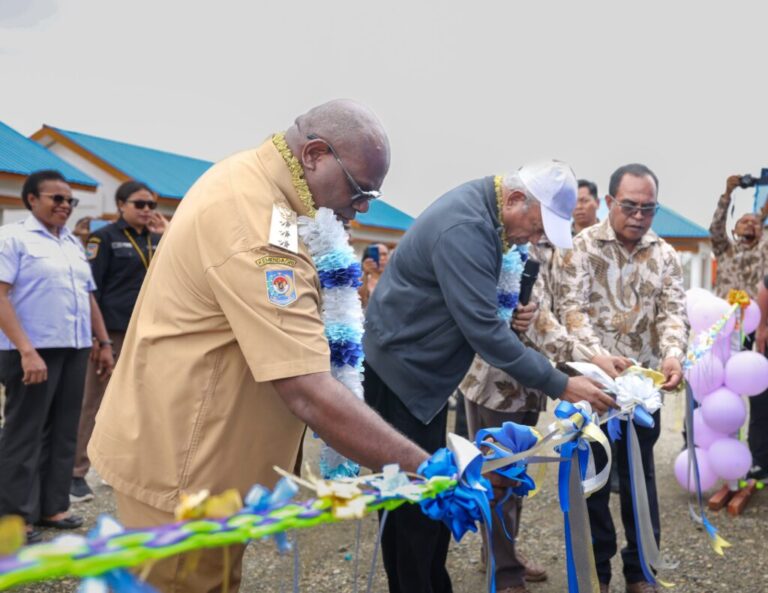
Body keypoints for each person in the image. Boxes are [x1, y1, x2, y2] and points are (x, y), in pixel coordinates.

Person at [88, 100, 434, 593]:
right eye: (359, 190)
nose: (363, 207)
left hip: (205, 459)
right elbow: (307, 388)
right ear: (314, 154)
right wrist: (424, 470)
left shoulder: (261, 187)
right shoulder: (254, 226)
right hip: (185, 469)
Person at [363, 162, 619, 593]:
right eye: (535, 227)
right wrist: (561, 384)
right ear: (515, 199)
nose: (532, 239)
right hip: (400, 375)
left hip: (422, 378)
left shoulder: (487, 215)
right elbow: (484, 332)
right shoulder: (466, 228)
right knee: (414, 506)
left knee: (430, 499)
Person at [459, 235, 628, 593]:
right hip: (495, 384)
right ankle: (505, 574)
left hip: (532, 383)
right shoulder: (510, 243)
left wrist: (593, 355)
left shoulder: (560, 249)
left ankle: (501, 556)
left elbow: (563, 313)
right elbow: (536, 319)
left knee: (515, 478)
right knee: (498, 477)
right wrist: (590, 357)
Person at [555, 163, 689, 593]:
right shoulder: (579, 248)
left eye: (648, 208)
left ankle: (640, 570)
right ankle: (597, 572)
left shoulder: (665, 255)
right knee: (591, 482)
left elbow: (673, 314)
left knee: (640, 479)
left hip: (642, 393)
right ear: (610, 202)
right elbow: (570, 312)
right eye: (630, 206)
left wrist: (672, 355)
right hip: (589, 387)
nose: (638, 216)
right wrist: (598, 358)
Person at [0, 170, 114, 544]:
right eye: (57, 198)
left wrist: (102, 342)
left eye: (70, 200)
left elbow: (88, 295)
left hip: (74, 347)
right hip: (32, 350)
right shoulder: (12, 238)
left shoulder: (71, 243)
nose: (65, 205)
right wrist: (26, 351)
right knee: (25, 433)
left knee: (64, 429)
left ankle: (53, 507)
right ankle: (15, 517)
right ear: (32, 199)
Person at [70, 181, 166, 503]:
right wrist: (98, 339)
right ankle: (76, 473)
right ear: (121, 205)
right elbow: (91, 289)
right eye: (140, 204)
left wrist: (166, 234)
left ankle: (120, 470)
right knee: (93, 401)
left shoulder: (157, 239)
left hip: (148, 332)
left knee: (138, 403)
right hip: (112, 332)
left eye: (151, 205)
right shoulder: (104, 238)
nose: (147, 210)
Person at [709, 174, 768, 300]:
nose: (750, 224)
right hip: (726, 309)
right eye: (744, 222)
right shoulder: (725, 249)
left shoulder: (764, 249)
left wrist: (764, 215)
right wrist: (727, 193)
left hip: (755, 310)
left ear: (762, 230)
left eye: (755, 223)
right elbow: (716, 228)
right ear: (734, 230)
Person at [358, 242, 389, 308]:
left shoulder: (395, 279)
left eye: (385, 254)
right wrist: (365, 274)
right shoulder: (361, 279)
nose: (382, 258)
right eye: (378, 255)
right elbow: (360, 302)